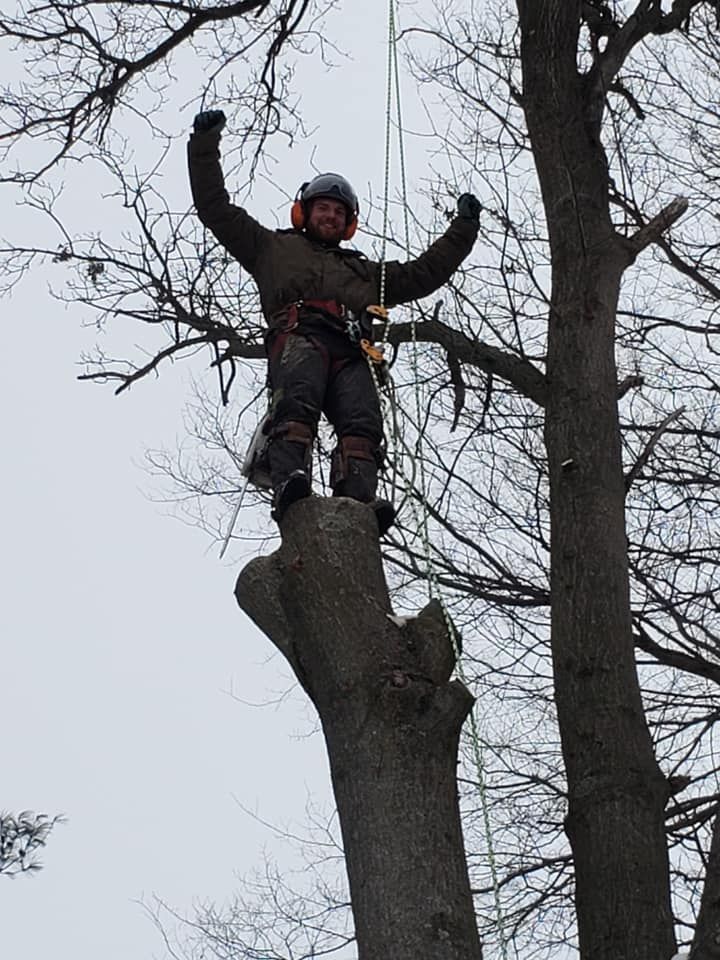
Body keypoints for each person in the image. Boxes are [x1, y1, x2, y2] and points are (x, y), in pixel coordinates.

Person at [188, 108, 480, 534]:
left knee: (362, 421)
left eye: (339, 214)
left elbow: (424, 273)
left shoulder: (365, 273)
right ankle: (290, 481)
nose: (331, 217)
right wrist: (204, 142)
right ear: (303, 212)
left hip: (350, 350)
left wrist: (464, 228)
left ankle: (357, 502)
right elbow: (215, 208)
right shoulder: (270, 248)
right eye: (323, 208)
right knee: (297, 400)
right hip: (300, 336)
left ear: (348, 226)